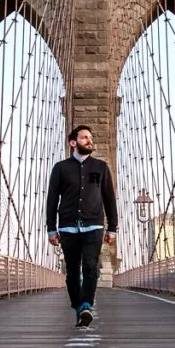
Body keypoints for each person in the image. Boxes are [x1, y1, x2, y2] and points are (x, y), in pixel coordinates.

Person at [46, 125, 118, 327]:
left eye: (90, 137)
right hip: (68, 227)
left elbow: (109, 199)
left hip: (93, 226)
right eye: (84, 137)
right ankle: (79, 307)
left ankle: (86, 305)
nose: (89, 140)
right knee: (72, 271)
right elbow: (52, 199)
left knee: (90, 266)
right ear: (73, 142)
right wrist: (51, 228)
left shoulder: (101, 168)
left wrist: (112, 227)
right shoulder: (60, 168)